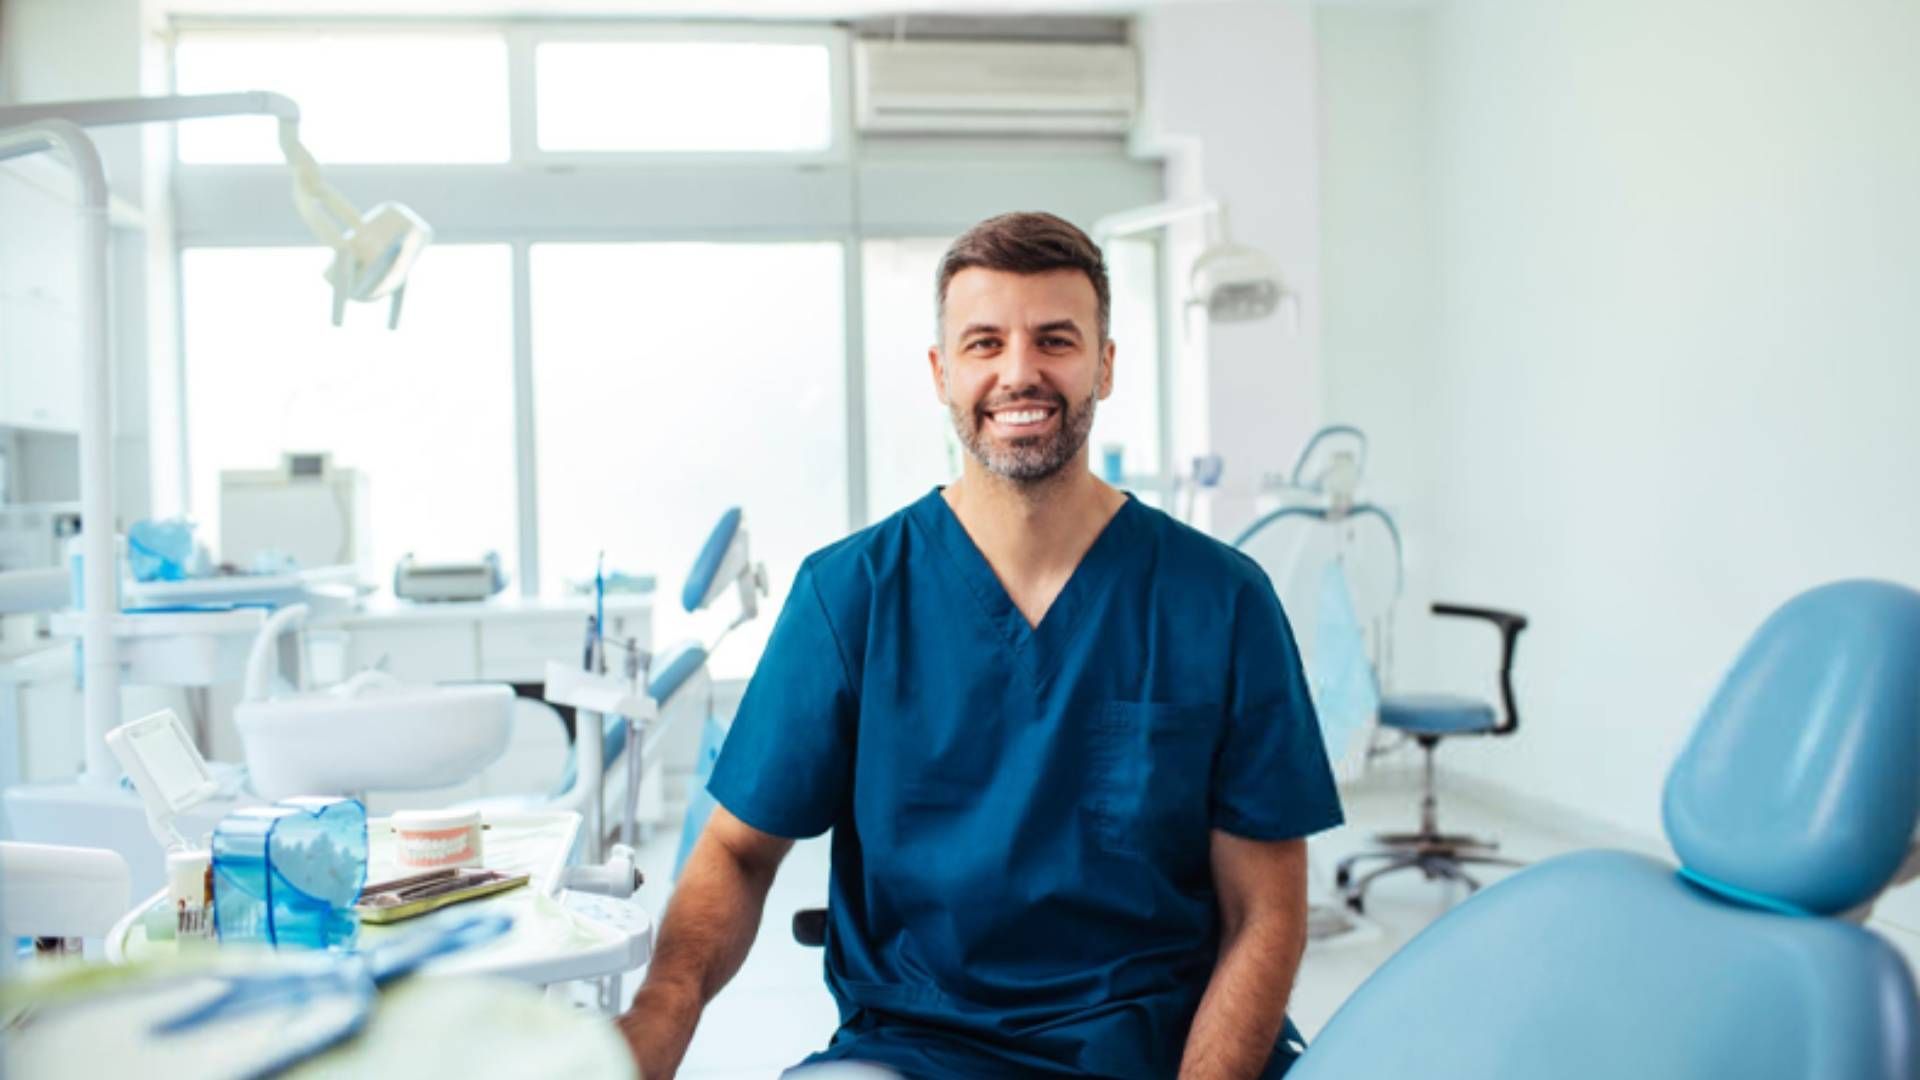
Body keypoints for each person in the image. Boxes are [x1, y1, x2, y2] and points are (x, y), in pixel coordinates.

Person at [618, 211, 1343, 1079]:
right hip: (916, 1050)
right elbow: (738, 850)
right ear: (942, 372)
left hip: (1158, 1050)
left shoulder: (1220, 602)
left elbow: (1265, 909)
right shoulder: (851, 595)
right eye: (985, 343)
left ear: (1105, 364)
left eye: (1056, 340)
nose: (1019, 373)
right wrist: (657, 1017)